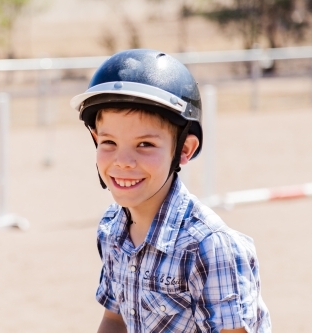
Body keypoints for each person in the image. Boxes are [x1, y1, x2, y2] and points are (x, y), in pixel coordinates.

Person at [70, 49, 271, 333]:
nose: (123, 161)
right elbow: (115, 320)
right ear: (95, 140)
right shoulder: (112, 229)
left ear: (184, 150)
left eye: (145, 145)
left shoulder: (208, 247)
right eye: (109, 143)